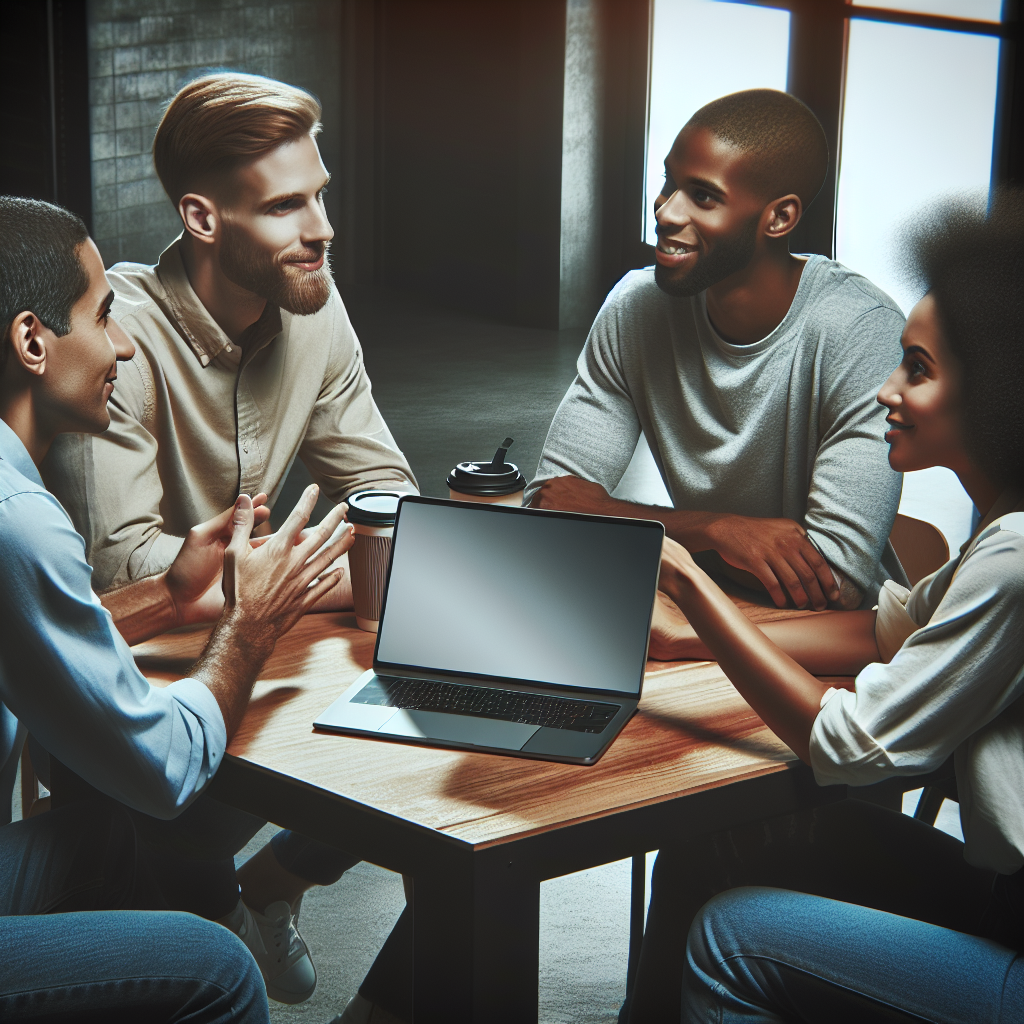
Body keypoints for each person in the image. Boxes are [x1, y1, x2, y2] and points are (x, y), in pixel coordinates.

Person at [41, 72, 418, 1004]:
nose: (321, 228)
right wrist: (328, 575)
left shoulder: (314, 305)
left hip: (263, 650)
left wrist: (280, 587)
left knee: (440, 726)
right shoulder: (114, 340)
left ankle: (273, 881)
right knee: (177, 906)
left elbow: (392, 500)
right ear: (203, 219)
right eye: (287, 206)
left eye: (319, 194)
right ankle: (207, 900)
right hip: (142, 702)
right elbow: (123, 571)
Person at [632, 192, 1023, 1022]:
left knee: (733, 936)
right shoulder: (1004, 533)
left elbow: (846, 741)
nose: (886, 390)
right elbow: (881, 629)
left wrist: (694, 587)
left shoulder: (1017, 558)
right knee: (719, 839)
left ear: (992, 393)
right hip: (1004, 897)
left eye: (915, 368)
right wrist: (684, 640)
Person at [0, 196, 356, 1016]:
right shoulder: (19, 520)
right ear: (31, 341)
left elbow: (24, 638)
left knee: (113, 844)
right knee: (215, 967)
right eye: (101, 317)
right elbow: (163, 771)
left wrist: (166, 597)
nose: (121, 344)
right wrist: (250, 624)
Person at [529, 89, 907, 613]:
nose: (665, 211)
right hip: (694, 602)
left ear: (779, 218)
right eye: (668, 183)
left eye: (702, 197)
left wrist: (623, 522)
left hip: (823, 646)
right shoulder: (636, 307)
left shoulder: (860, 331)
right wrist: (715, 529)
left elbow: (835, 582)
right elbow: (553, 508)